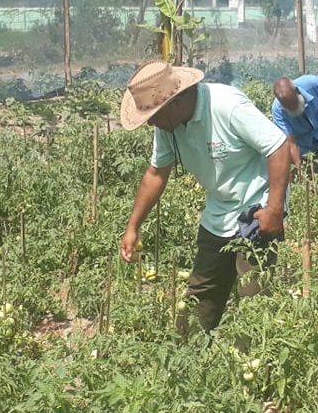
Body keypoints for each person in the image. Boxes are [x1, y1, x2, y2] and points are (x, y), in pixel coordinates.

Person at [119, 61, 290, 332]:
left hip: (256, 213)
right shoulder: (168, 127)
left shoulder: (226, 106)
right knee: (200, 297)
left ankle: (252, 364)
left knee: (253, 300)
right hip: (218, 214)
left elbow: (279, 147)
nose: (150, 122)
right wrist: (133, 227)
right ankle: (189, 362)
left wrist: (274, 209)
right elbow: (156, 174)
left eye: (153, 115)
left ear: (173, 103)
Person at [271, 75, 318, 169]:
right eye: (290, 109)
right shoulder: (278, 111)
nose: (295, 110)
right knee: (314, 174)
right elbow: (291, 142)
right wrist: (297, 163)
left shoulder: (314, 83)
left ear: (297, 92)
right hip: (306, 147)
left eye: (295, 105)